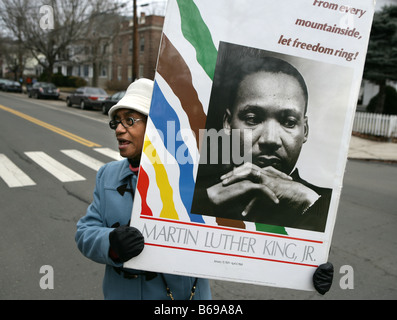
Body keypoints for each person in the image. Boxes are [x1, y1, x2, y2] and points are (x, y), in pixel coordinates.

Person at [75, 78, 212, 300]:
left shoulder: (193, 175)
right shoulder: (107, 174)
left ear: (156, 125)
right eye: (117, 122)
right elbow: (84, 232)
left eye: (129, 120)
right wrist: (111, 242)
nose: (119, 129)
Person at [192, 45, 332, 233]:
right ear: (227, 123)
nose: (271, 139)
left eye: (289, 122)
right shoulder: (189, 196)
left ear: (304, 130)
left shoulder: (324, 204)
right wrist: (203, 202)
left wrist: (309, 201)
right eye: (252, 119)